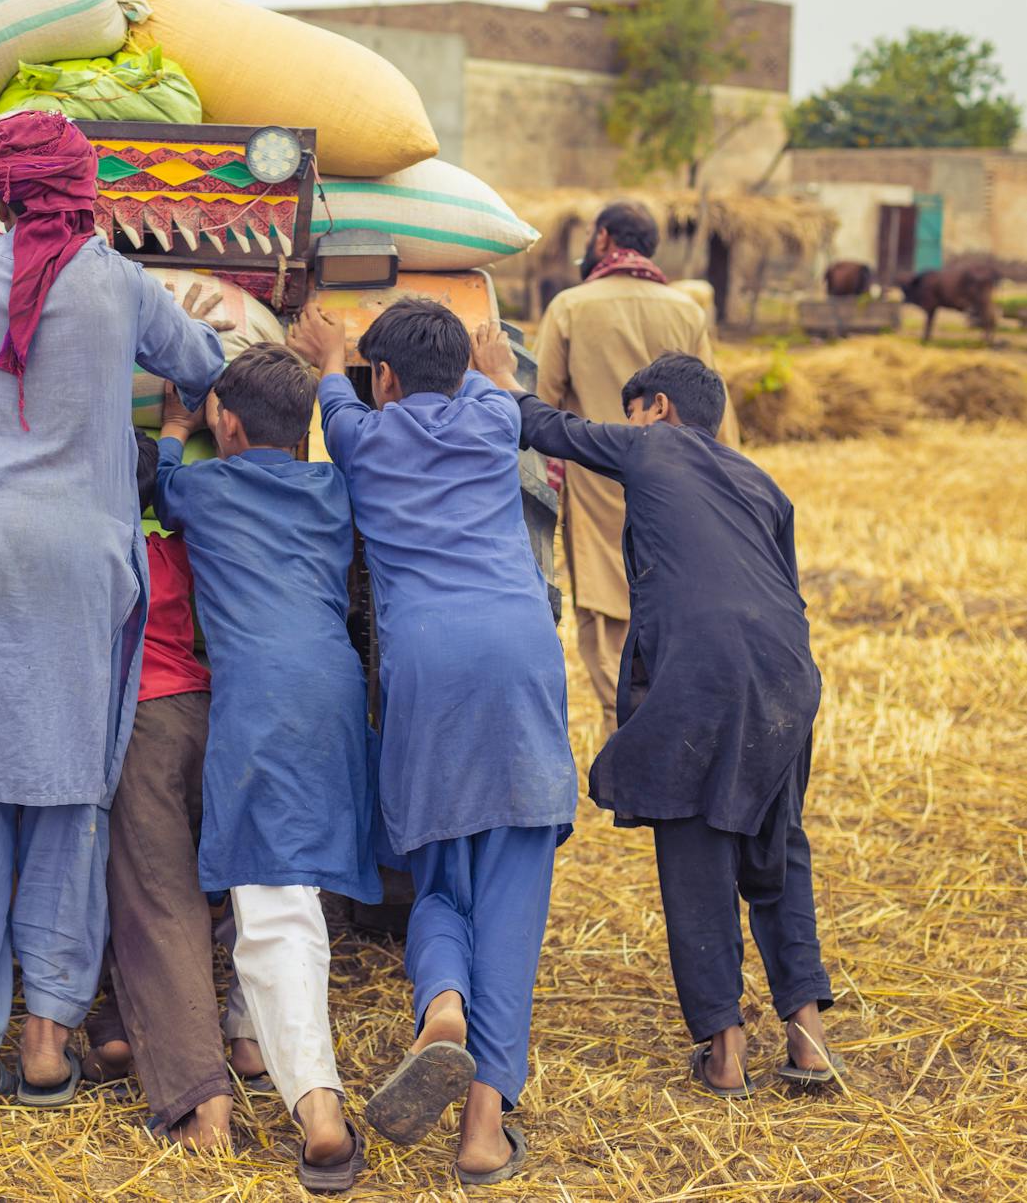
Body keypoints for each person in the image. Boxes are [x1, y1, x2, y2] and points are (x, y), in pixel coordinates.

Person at [0, 110, 226, 1115]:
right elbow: (202, 365)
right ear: (84, 190)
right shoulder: (118, 280)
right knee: (69, 798)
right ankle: (44, 1039)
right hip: (79, 562)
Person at [474, 334, 839, 1098]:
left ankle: (726, 1050)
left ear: (659, 411)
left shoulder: (654, 449)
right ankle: (809, 1043)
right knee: (777, 846)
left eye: (631, 413)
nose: (627, 426)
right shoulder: (764, 484)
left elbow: (549, 430)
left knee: (694, 842)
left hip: (702, 672)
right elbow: (787, 593)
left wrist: (503, 380)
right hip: (786, 676)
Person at [289, 300, 576, 1187]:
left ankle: (442, 1002)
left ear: (384, 381)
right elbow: (500, 387)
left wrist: (330, 352)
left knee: (440, 879)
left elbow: (331, 395)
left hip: (424, 669)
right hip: (519, 656)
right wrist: (493, 362)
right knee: (510, 901)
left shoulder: (361, 438)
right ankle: (483, 1130)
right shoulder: (494, 418)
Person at [154, 343, 381, 1194]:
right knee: (298, 876)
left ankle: (318, 1109)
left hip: (261, 707)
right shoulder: (332, 489)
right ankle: (249, 1037)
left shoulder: (201, 488)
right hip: (334, 696)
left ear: (227, 423)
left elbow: (163, 486)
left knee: (272, 906)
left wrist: (175, 431)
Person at [82, 427, 234, 1149]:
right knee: (210, 894)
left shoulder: (97, 552)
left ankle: (199, 1101)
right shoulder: (180, 547)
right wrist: (176, 429)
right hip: (203, 714)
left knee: (157, 904)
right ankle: (119, 1028)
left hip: (138, 727)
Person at [537, 201, 738, 734]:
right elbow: (716, 410)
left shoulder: (570, 307)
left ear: (603, 238)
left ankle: (624, 727)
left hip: (599, 482)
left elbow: (541, 404)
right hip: (684, 491)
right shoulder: (687, 311)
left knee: (606, 612)